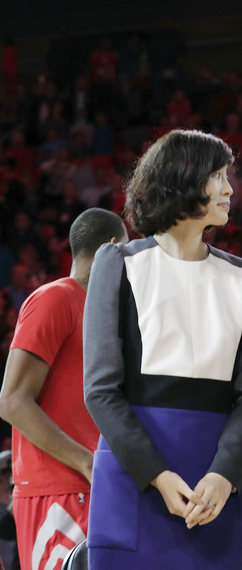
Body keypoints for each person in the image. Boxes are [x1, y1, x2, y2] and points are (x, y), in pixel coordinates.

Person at [82, 130, 242, 570]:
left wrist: (225, 475)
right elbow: (100, 390)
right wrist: (157, 477)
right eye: (218, 176)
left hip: (218, 489)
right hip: (136, 480)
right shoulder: (117, 263)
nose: (228, 189)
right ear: (183, 179)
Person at [0, 208, 126, 570]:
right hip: (56, 488)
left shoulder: (105, 313)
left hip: (92, 485)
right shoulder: (54, 298)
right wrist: (89, 462)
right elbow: (11, 401)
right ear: (111, 247)